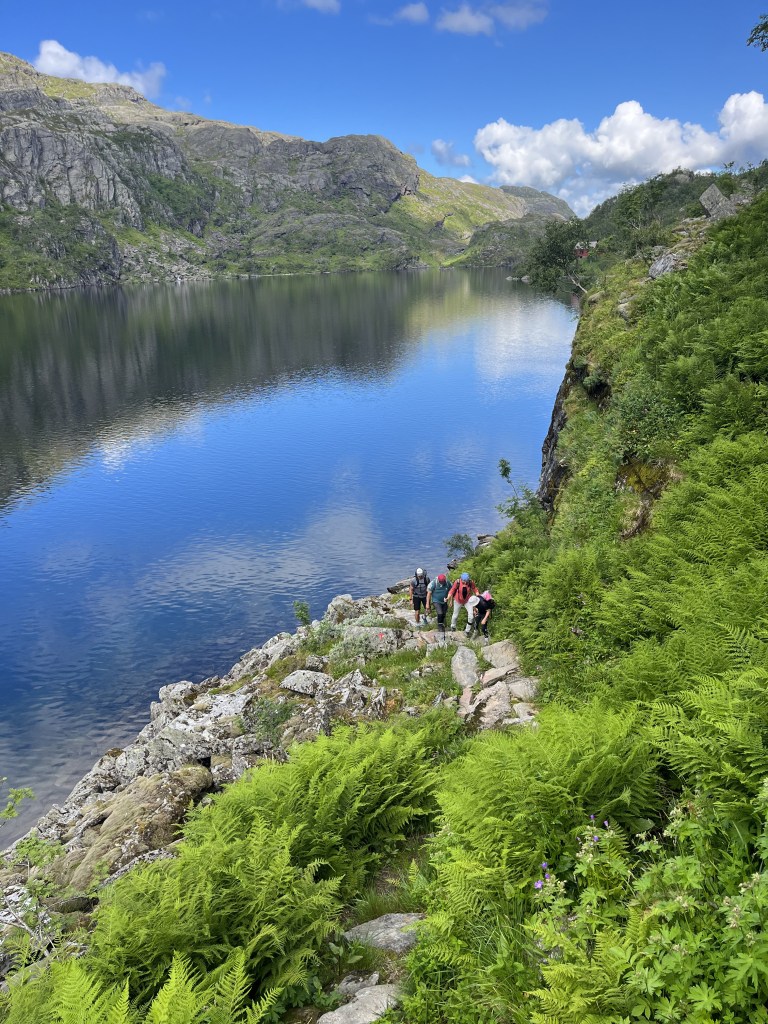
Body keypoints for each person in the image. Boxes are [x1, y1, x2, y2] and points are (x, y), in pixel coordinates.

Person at [426, 572, 452, 637]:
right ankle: (439, 625)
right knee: (440, 613)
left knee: (444, 614)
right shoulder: (434, 583)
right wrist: (427, 604)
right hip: (436, 600)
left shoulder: (448, 583)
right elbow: (429, 593)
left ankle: (442, 624)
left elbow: (451, 591)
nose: (442, 583)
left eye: (443, 582)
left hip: (444, 601)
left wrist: (451, 601)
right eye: (441, 582)